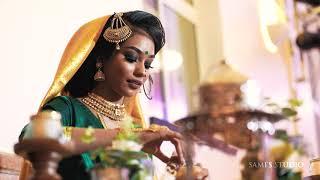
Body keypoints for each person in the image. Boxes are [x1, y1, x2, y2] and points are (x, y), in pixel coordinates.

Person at [20, 11, 184, 179]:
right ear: (101, 59)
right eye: (131, 57)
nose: (142, 71)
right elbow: (31, 138)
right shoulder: (68, 109)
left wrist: (173, 171)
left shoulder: (137, 129)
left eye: (148, 64)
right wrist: (125, 137)